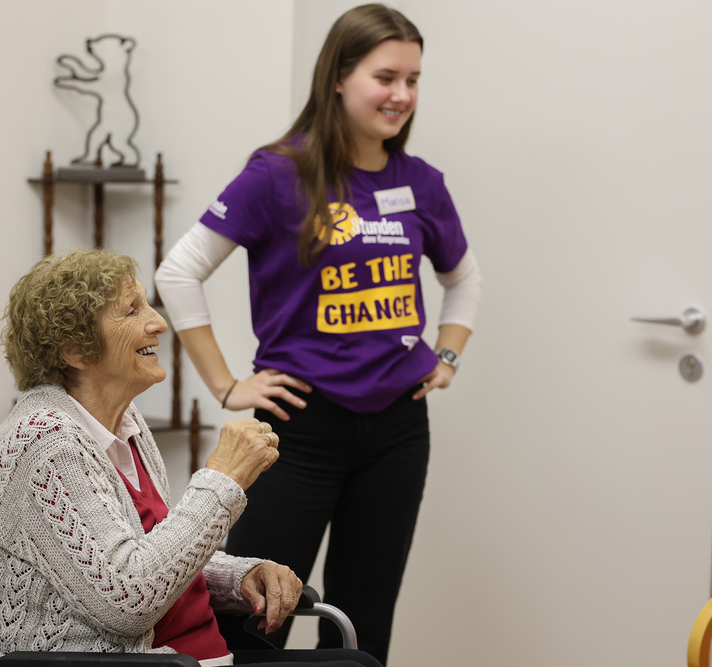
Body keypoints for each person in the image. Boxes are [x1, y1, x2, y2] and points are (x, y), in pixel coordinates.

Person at [155, 4, 481, 663]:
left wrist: (446, 354)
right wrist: (227, 386)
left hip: (397, 432)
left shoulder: (420, 183)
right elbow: (178, 272)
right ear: (338, 76)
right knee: (257, 615)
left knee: (364, 618)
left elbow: (464, 279)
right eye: (385, 77)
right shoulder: (278, 174)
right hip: (299, 431)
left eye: (413, 79)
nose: (402, 94)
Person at [0, 249, 380, 667]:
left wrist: (240, 576)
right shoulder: (46, 442)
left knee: (357, 663)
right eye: (132, 310)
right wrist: (223, 478)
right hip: (149, 663)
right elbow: (128, 599)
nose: (159, 322)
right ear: (76, 351)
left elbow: (153, 559)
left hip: (196, 656)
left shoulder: (125, 424)